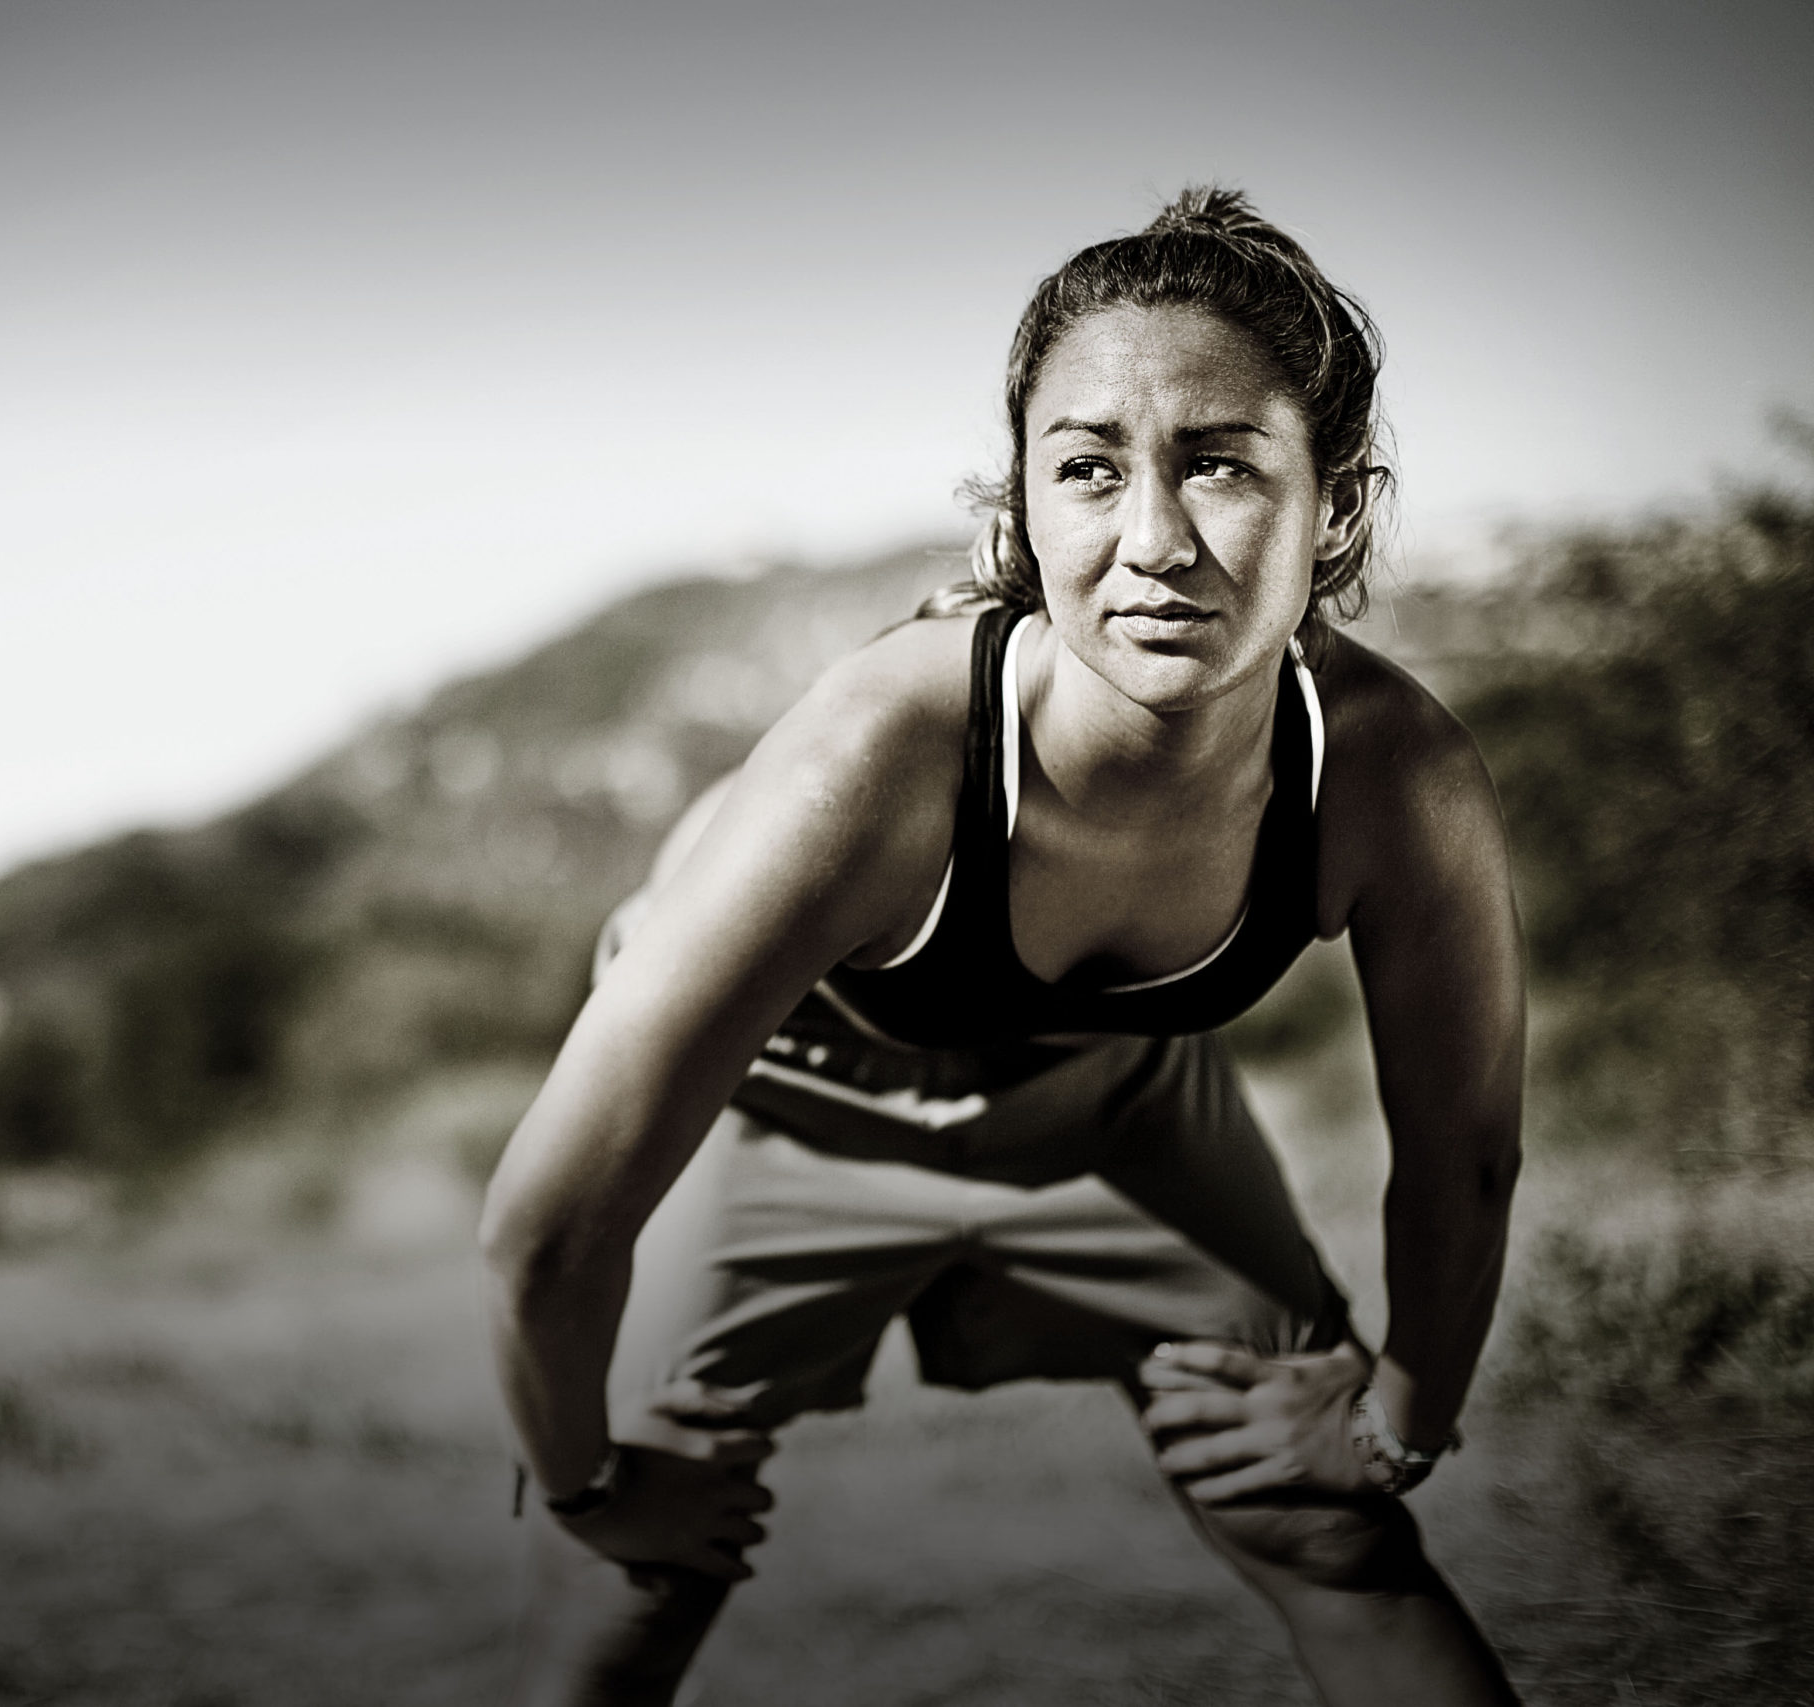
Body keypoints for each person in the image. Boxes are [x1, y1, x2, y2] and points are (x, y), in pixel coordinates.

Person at [478, 187, 1523, 1706]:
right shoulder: (881, 748)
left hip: (1118, 1096)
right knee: (634, 1573)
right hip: (789, 1095)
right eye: (1090, 469)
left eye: (1222, 465)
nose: (1153, 540)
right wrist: (580, 1487)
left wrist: (1398, 1423)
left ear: (1337, 505)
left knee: (1329, 1529)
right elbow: (547, 1233)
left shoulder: (1388, 773)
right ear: (1024, 505)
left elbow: (1467, 1156)